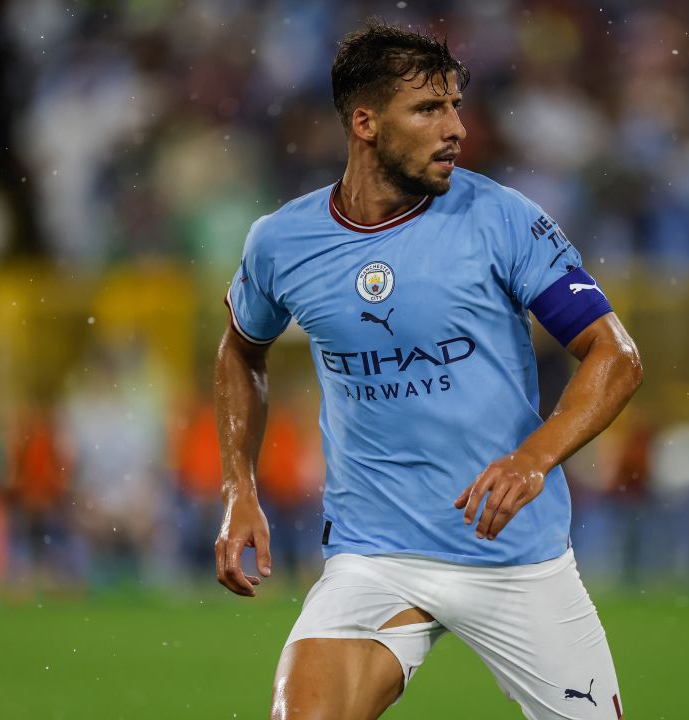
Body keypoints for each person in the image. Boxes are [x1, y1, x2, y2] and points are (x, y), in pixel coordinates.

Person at [213, 21, 643, 719]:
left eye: (455, 106)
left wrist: (533, 459)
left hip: (515, 558)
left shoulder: (502, 219)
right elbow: (240, 348)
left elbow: (616, 357)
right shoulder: (281, 244)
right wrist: (240, 488)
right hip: (377, 556)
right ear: (365, 123)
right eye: (429, 109)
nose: (457, 129)